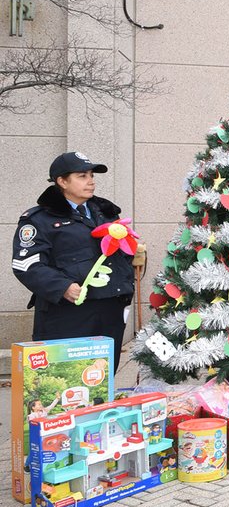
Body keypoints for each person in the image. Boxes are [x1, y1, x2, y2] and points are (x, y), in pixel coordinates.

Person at [12, 153, 135, 366]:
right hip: (68, 312)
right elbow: (26, 264)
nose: (91, 181)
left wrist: (126, 284)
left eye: (91, 175)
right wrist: (63, 287)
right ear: (62, 181)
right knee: (66, 376)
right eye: (82, 176)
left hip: (109, 309)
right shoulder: (39, 219)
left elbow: (121, 253)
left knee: (103, 378)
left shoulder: (106, 213)